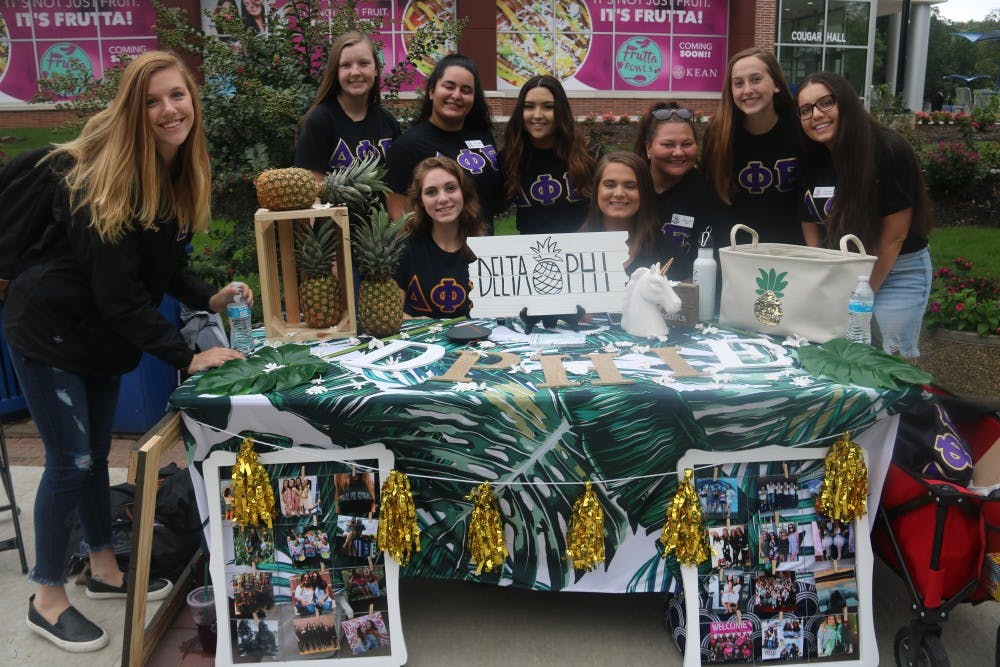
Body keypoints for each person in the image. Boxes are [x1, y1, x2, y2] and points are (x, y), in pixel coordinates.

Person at [6, 50, 250, 653]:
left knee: (91, 455)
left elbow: (163, 267)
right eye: (152, 100)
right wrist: (185, 355)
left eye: (178, 95)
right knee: (69, 463)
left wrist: (207, 298)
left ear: (193, 101)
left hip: (96, 338)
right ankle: (46, 596)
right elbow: (118, 295)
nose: (169, 109)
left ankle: (105, 566)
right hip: (50, 330)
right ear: (132, 110)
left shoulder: (168, 175)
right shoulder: (102, 179)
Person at [795, 71, 932, 357]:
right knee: (840, 356)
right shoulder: (813, 157)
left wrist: (863, 295)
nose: (816, 115)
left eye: (825, 103)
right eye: (806, 110)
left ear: (845, 102)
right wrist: (822, 266)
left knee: (892, 360)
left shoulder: (888, 150)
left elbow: (894, 236)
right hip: (844, 269)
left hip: (896, 268)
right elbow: (807, 215)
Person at [700, 47, 805, 245]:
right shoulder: (719, 134)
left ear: (776, 84)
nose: (747, 90)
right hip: (738, 254)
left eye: (756, 79)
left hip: (793, 252)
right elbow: (710, 196)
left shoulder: (799, 128)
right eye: (738, 83)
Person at [385, 54, 504, 227]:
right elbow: (400, 221)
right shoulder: (406, 147)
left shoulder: (483, 136)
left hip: (484, 248)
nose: (456, 95)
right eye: (449, 86)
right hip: (436, 251)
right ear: (432, 91)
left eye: (466, 90)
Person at [294, 31, 400, 185]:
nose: (355, 72)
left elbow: (399, 186)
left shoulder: (388, 123)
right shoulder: (318, 122)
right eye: (346, 65)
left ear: (376, 69)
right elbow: (311, 191)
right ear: (336, 73)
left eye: (364, 63)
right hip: (332, 209)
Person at [635, 102, 726, 281]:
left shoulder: (706, 192)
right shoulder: (631, 187)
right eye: (668, 144)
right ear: (648, 148)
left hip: (686, 295)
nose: (678, 152)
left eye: (686, 144)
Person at [501, 75, 594, 235]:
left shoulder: (588, 154)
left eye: (548, 107)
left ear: (560, 111)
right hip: (531, 253)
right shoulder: (509, 157)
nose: (537, 115)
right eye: (529, 106)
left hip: (580, 253)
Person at [394, 156, 485, 319]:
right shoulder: (404, 250)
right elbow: (392, 315)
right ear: (421, 201)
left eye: (450, 188)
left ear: (463, 192)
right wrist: (417, 322)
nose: (443, 199)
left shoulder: (487, 248)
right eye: (431, 192)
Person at [578, 151, 659, 275]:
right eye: (610, 185)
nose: (619, 193)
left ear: (644, 192)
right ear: (597, 190)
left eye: (630, 186)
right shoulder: (572, 247)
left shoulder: (666, 250)